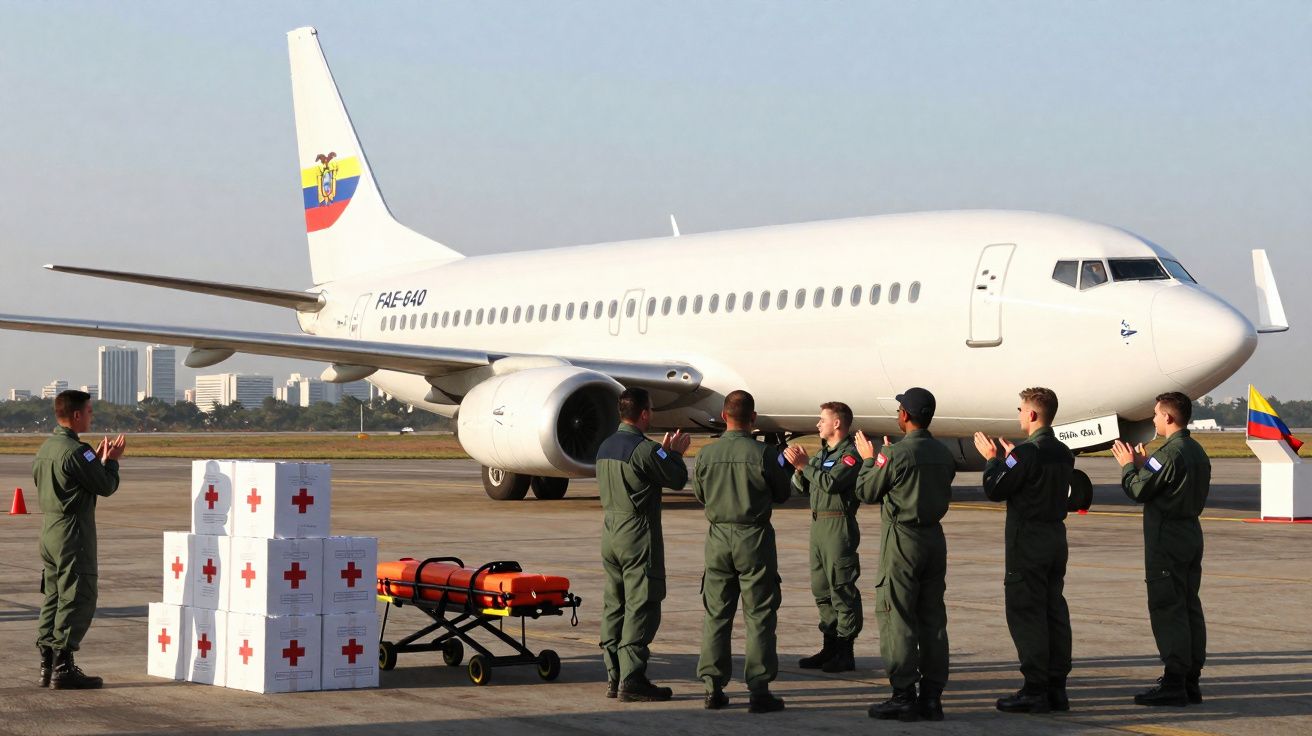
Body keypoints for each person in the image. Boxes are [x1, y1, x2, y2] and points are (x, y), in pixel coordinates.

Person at [854, 387, 954, 721]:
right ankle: (932, 697)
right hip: (934, 540)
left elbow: (866, 490)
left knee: (896, 617)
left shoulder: (895, 454)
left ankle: (903, 694)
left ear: (906, 415)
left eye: (900, 409)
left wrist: (870, 459)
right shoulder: (943, 453)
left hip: (903, 540)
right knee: (932, 620)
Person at [973, 387, 1075, 713]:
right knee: (1053, 610)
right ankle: (1057, 686)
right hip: (1055, 537)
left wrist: (993, 461)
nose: (1019, 414)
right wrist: (1010, 459)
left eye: (1021, 409)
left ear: (1031, 414)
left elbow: (994, 488)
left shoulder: (1027, 453)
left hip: (1028, 540)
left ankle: (1035, 688)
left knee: (1026, 612)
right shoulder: (1063, 452)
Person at [693, 390, 793, 713]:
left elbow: (700, 494)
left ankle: (712, 686)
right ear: (753, 419)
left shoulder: (706, 455)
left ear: (724, 417)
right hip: (754, 537)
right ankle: (759, 689)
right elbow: (781, 493)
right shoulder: (764, 454)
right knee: (760, 615)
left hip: (719, 538)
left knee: (717, 614)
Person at [1111, 391, 1210, 707]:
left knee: (1168, 608)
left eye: (1156, 414)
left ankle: (1174, 681)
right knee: (1189, 605)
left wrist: (1129, 466)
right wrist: (1144, 465)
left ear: (1168, 417)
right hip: (1190, 534)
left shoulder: (1167, 454)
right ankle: (1191, 680)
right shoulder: (1196, 451)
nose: (1154, 418)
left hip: (1167, 539)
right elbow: (1165, 482)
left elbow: (1138, 489)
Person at [595, 387, 691, 702]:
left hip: (611, 532)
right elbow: (677, 478)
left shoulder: (606, 446)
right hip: (637, 535)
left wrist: (660, 454)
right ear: (645, 414)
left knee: (615, 604)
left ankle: (613, 675)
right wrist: (672, 452)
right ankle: (632, 677)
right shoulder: (645, 450)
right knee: (642, 605)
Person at [34, 390, 126, 689]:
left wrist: (94, 462)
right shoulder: (77, 451)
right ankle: (64, 666)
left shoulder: (46, 448)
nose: (91, 416)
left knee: (54, 597)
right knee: (78, 596)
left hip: (50, 531)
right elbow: (105, 486)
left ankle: (47, 665)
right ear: (76, 415)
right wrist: (110, 462)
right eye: (88, 411)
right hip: (73, 533)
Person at [784, 402, 863, 673]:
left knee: (842, 588)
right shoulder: (823, 454)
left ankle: (845, 650)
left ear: (837, 424)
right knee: (821, 590)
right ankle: (829, 646)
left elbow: (831, 483)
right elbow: (804, 487)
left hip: (838, 526)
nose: (818, 424)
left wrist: (806, 466)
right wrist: (799, 469)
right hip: (818, 526)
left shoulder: (849, 455)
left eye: (822, 420)